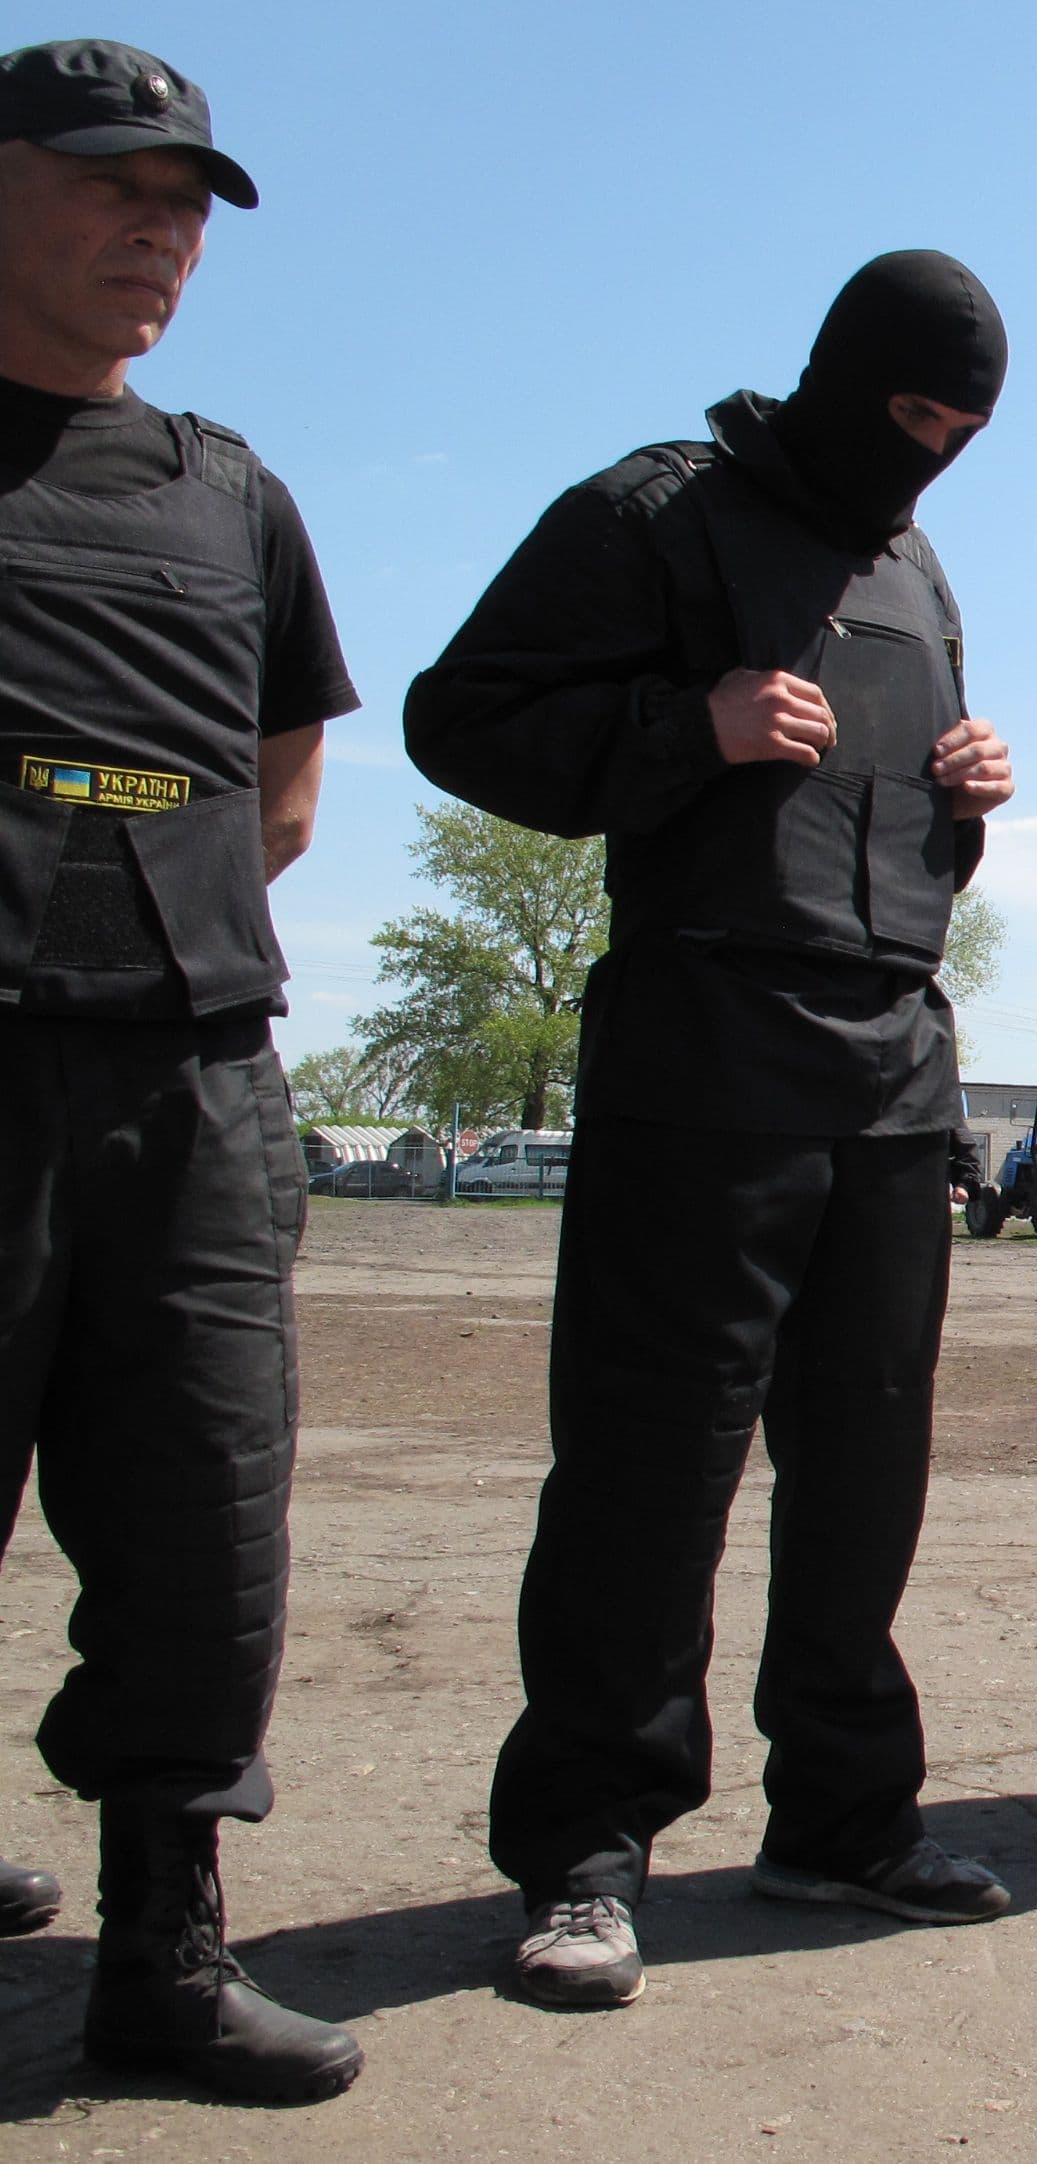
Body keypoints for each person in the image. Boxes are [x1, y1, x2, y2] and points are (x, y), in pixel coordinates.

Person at [405, 251, 1020, 2009]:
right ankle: (589, 1849)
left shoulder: (916, 563)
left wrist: (958, 801)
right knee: (649, 1466)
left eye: (967, 431)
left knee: (868, 1465)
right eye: (913, 414)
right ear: (841, 378)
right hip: (704, 1049)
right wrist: (692, 722)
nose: (933, 455)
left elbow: (875, 823)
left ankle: (843, 1817)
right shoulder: (658, 510)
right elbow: (466, 720)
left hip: (896, 1060)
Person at [0, 38, 362, 2101]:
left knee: (207, 1532)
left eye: (188, 206)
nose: (158, 231)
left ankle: (166, 1951)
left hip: (198, 1080)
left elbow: (286, 779)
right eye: (112, 183)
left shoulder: (231, 491)